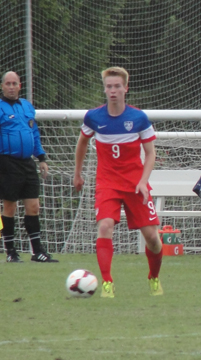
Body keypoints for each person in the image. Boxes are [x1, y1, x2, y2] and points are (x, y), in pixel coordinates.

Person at [74, 66, 163, 298]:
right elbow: (82, 142)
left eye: (117, 86)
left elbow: (150, 153)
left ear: (126, 88)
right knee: (105, 226)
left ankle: (153, 277)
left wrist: (144, 181)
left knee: (153, 239)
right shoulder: (94, 117)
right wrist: (78, 173)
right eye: (109, 87)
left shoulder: (138, 118)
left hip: (135, 184)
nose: (112, 91)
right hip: (107, 183)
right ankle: (107, 282)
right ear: (105, 89)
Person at [0, 71, 57, 263]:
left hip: (28, 163)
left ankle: (37, 252)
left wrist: (41, 157)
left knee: (33, 207)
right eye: (7, 83)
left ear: (20, 86)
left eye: (14, 83)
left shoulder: (27, 106)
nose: (11, 86)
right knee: (9, 207)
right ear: (2, 86)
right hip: (7, 163)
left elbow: (34, 133)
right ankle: (10, 251)